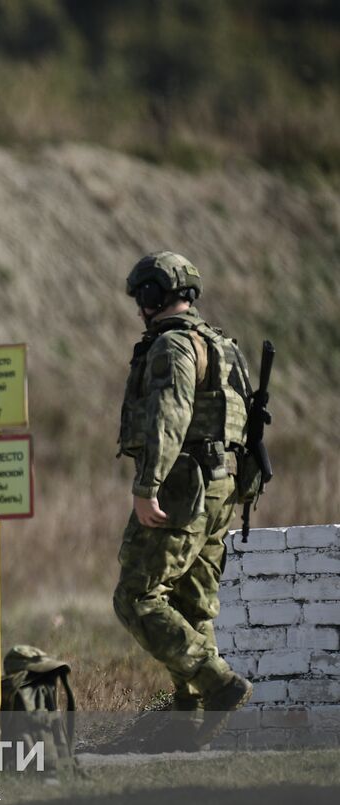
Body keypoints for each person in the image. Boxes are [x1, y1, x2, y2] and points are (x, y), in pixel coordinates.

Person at [114, 252, 256, 750]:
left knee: (136, 596)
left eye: (141, 298)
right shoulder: (223, 347)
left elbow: (168, 419)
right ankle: (188, 724)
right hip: (222, 487)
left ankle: (218, 683)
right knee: (191, 603)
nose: (138, 309)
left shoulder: (173, 347)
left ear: (154, 295)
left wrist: (147, 486)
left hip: (183, 486)